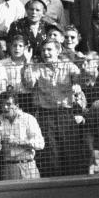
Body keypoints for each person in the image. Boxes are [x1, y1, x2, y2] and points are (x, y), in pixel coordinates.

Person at [22, 39, 93, 176]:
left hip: (65, 114)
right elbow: (29, 84)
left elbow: (82, 80)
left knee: (70, 151)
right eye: (43, 50)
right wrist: (27, 62)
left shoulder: (68, 65)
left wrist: (84, 68)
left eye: (49, 50)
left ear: (58, 50)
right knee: (51, 154)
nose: (46, 53)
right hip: (46, 115)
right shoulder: (37, 67)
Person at [0, 92, 45, 179]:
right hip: (9, 168)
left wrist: (19, 142)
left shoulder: (28, 119)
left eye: (8, 104)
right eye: (2, 104)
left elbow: (40, 144)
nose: (5, 107)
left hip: (28, 166)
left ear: (17, 105)